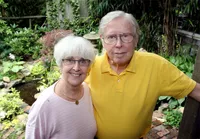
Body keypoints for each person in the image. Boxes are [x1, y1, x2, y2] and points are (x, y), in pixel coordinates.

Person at [85, 10, 200, 139]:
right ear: (102, 40)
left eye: (125, 36)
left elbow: (195, 90)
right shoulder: (90, 66)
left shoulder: (155, 65)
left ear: (136, 39)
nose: (118, 44)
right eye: (111, 37)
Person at [25, 35, 97, 139]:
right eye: (70, 60)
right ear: (60, 64)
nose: (76, 68)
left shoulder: (87, 91)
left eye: (83, 61)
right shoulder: (44, 106)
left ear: (89, 65)